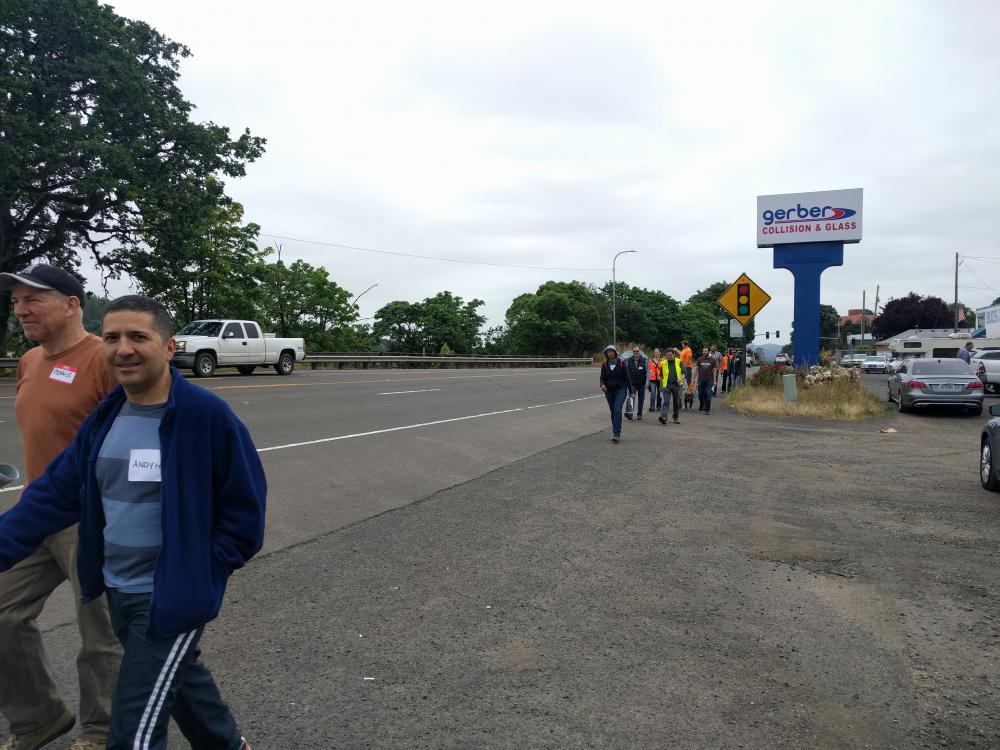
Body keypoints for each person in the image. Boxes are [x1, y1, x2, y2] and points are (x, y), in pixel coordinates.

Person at [0, 296, 264, 750]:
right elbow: (54, 495)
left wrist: (202, 573)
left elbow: (245, 511)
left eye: (138, 337)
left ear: (168, 347)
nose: (123, 348)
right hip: (117, 586)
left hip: (168, 596)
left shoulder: (204, 416)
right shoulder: (108, 414)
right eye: (112, 338)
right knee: (181, 682)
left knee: (133, 732)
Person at [0, 265, 121, 750]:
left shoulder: (105, 360)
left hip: (93, 519)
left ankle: (102, 730)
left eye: (33, 299)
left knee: (101, 632)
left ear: (72, 304)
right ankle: (38, 719)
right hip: (36, 513)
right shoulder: (29, 361)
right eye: (15, 301)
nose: (20, 309)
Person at [599, 345, 633, 443]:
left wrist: (631, 392)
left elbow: (627, 378)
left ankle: (616, 434)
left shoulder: (621, 363)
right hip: (609, 391)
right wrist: (602, 384)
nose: (610, 353)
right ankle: (615, 431)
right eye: (608, 352)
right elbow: (602, 377)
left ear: (615, 352)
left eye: (611, 351)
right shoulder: (605, 364)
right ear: (606, 353)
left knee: (617, 410)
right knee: (613, 411)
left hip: (621, 390)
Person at [658, 348, 684, 424]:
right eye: (668, 355)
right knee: (665, 401)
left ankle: (675, 417)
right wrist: (661, 386)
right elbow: (661, 376)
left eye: (670, 355)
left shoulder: (678, 361)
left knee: (676, 402)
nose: (669, 356)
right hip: (666, 385)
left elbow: (684, 372)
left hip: (676, 385)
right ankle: (664, 417)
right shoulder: (663, 363)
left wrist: (681, 378)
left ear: (674, 354)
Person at [625, 347, 648, 420]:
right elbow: (626, 373)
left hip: (642, 383)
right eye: (634, 351)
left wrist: (647, 383)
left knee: (641, 399)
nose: (636, 352)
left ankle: (639, 414)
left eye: (637, 351)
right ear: (633, 352)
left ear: (639, 352)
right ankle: (630, 413)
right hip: (632, 383)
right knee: (631, 398)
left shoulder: (645, 360)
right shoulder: (628, 360)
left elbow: (648, 373)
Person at [694, 346, 717, 413]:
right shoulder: (699, 359)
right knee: (700, 394)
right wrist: (693, 379)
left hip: (709, 380)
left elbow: (715, 370)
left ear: (709, 352)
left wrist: (714, 380)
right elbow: (696, 369)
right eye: (703, 351)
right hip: (700, 380)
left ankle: (707, 409)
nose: (704, 352)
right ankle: (702, 404)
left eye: (705, 351)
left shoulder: (712, 360)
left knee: (708, 394)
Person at [647, 348, 663, 413]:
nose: (656, 353)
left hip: (660, 380)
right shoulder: (650, 361)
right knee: (653, 393)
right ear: (654, 353)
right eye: (655, 352)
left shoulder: (662, 361)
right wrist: (648, 381)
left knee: (659, 394)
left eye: (657, 352)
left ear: (659, 353)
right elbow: (648, 371)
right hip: (652, 380)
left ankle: (658, 406)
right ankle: (652, 407)